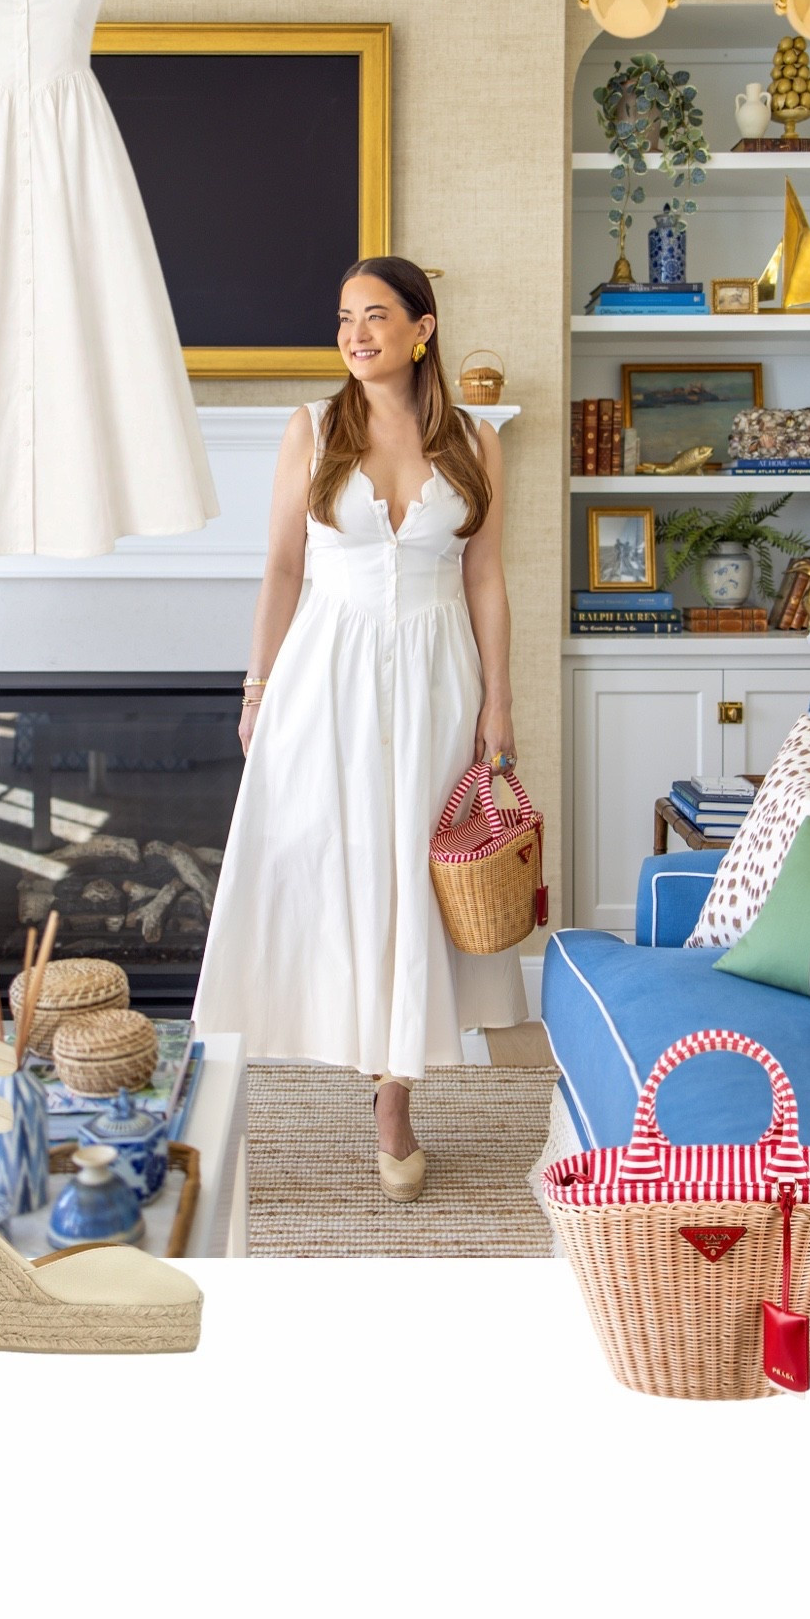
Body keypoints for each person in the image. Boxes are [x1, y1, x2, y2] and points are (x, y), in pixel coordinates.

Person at [192, 256, 527, 1204]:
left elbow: (486, 578)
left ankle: (395, 1099)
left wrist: (499, 706)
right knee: (325, 868)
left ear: (423, 328)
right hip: (323, 678)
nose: (355, 334)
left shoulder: (473, 441)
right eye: (344, 317)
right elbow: (281, 572)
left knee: (413, 883)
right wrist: (256, 688)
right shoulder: (311, 429)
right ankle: (327, 1047)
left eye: (376, 316)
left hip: (434, 677)